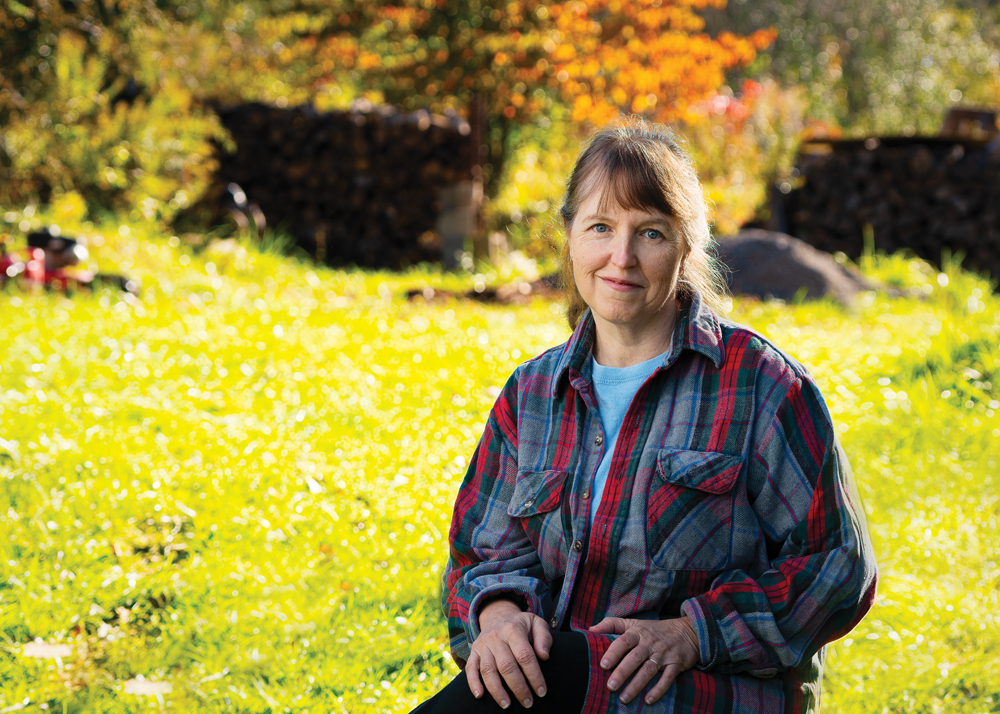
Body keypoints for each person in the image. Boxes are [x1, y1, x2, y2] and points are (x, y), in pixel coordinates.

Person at [413, 117, 877, 713]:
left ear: (688, 246)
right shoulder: (532, 394)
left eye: (650, 233)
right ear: (571, 237)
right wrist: (499, 617)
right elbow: (481, 551)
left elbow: (839, 566)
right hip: (560, 687)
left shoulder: (761, 385)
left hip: (707, 692)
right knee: (537, 676)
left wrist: (691, 633)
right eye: (600, 227)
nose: (621, 257)